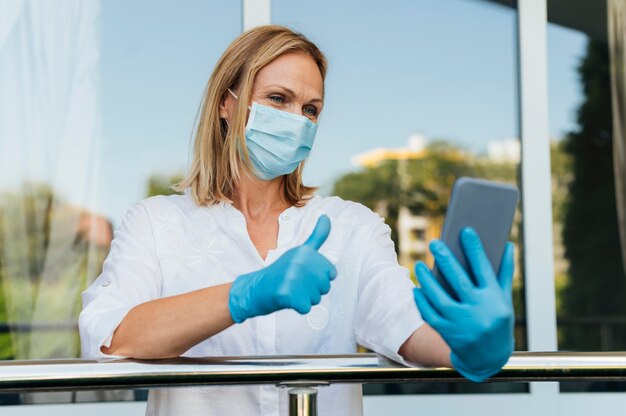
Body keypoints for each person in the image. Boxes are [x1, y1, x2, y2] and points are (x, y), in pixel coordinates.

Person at [79, 25, 515, 416]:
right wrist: (244, 295)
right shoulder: (156, 222)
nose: (296, 120)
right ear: (225, 104)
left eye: (310, 109)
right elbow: (110, 341)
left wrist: (475, 347)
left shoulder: (351, 227)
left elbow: (406, 327)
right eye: (277, 99)